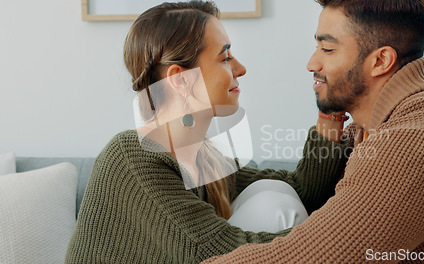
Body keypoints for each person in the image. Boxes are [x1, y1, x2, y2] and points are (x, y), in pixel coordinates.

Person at [203, 0, 424, 263]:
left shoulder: (415, 143)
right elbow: (311, 187)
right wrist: (331, 109)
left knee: (272, 204)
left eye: (327, 49)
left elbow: (312, 256)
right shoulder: (407, 112)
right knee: (271, 193)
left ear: (381, 61)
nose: (312, 63)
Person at [64, 1, 352, 263]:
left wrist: (332, 109)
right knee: (274, 204)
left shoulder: (202, 154)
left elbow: (303, 191)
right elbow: (214, 251)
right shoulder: (133, 156)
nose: (240, 68)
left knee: (274, 191)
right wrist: (355, 240)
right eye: (225, 57)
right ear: (181, 80)